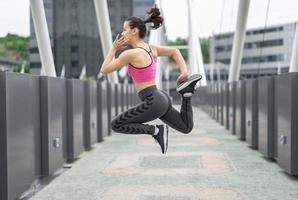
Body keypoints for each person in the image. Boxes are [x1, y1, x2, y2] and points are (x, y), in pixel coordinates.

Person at [100, 6, 202, 154]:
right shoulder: (151, 48)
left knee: (116, 124)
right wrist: (184, 72)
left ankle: (156, 131)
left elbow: (104, 69)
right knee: (185, 127)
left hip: (152, 101)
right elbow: (175, 51)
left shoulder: (130, 54)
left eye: (125, 29)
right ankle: (186, 95)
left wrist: (114, 48)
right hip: (161, 98)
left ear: (134, 31)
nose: (122, 33)